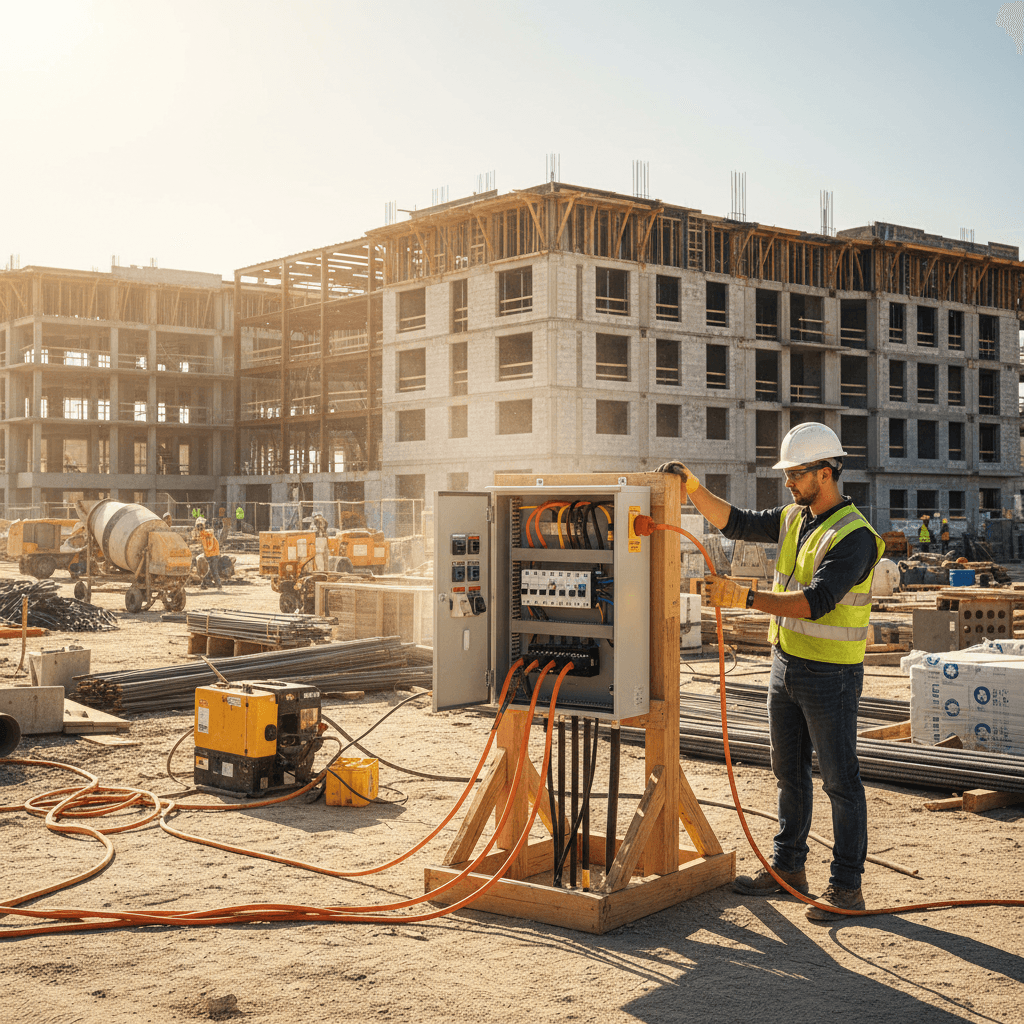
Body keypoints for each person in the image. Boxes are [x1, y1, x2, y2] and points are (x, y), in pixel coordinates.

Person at [658, 422, 883, 921]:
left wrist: (745, 597)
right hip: (786, 666)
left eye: (796, 474)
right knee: (789, 774)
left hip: (831, 675)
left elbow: (817, 602)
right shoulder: (794, 518)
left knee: (840, 782)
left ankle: (847, 888)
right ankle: (788, 869)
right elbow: (735, 522)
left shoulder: (855, 537)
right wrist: (693, 487)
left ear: (825, 473)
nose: (787, 482)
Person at [195, 517, 223, 589]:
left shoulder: (206, 535)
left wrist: (205, 551)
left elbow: (209, 546)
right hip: (213, 554)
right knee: (211, 570)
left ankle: (219, 585)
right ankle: (204, 584)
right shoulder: (206, 534)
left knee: (213, 571)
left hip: (212, 555)